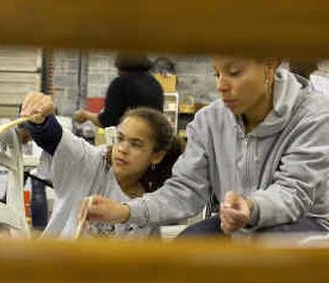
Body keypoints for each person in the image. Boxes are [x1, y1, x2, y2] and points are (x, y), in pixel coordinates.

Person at [80, 56, 329, 237]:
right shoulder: (209, 120)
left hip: (305, 224)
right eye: (216, 74)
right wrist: (124, 211)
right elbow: (184, 190)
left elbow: (293, 193)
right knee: (187, 247)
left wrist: (250, 207)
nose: (221, 85)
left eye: (234, 72)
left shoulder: (314, 115)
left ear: (270, 65)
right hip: (236, 225)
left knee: (267, 255)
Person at [20, 92, 183, 238]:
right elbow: (51, 136)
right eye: (120, 138)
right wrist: (40, 116)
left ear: (157, 156)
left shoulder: (153, 205)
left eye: (136, 144)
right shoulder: (91, 161)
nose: (122, 149)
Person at [74, 52, 164, 127]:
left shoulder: (121, 83)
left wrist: (85, 115)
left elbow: (107, 121)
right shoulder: (155, 83)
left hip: (135, 138)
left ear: (121, 66)